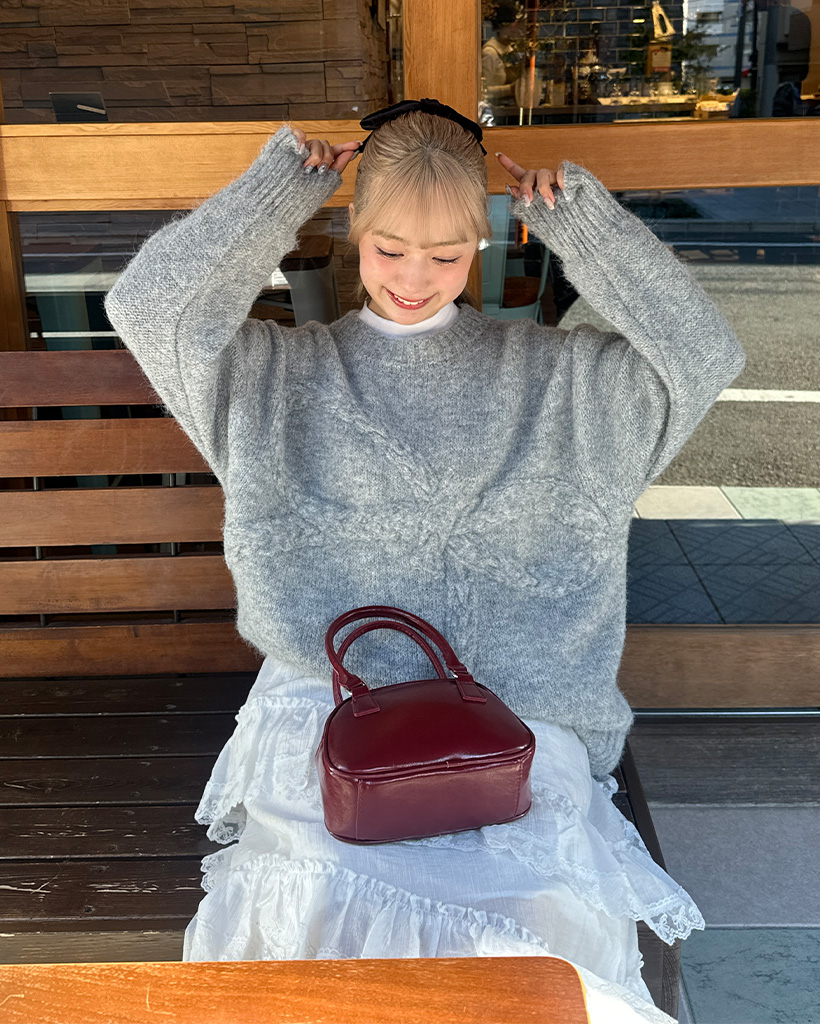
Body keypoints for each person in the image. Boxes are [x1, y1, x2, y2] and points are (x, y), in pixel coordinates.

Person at [103, 99, 746, 1023]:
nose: (414, 278)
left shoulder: (564, 382)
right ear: (352, 233)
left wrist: (582, 229)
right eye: (390, 248)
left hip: (521, 708)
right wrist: (277, 194)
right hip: (334, 704)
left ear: (481, 244)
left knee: (531, 916)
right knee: (325, 904)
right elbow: (149, 309)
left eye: (445, 256)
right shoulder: (274, 378)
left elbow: (700, 354)